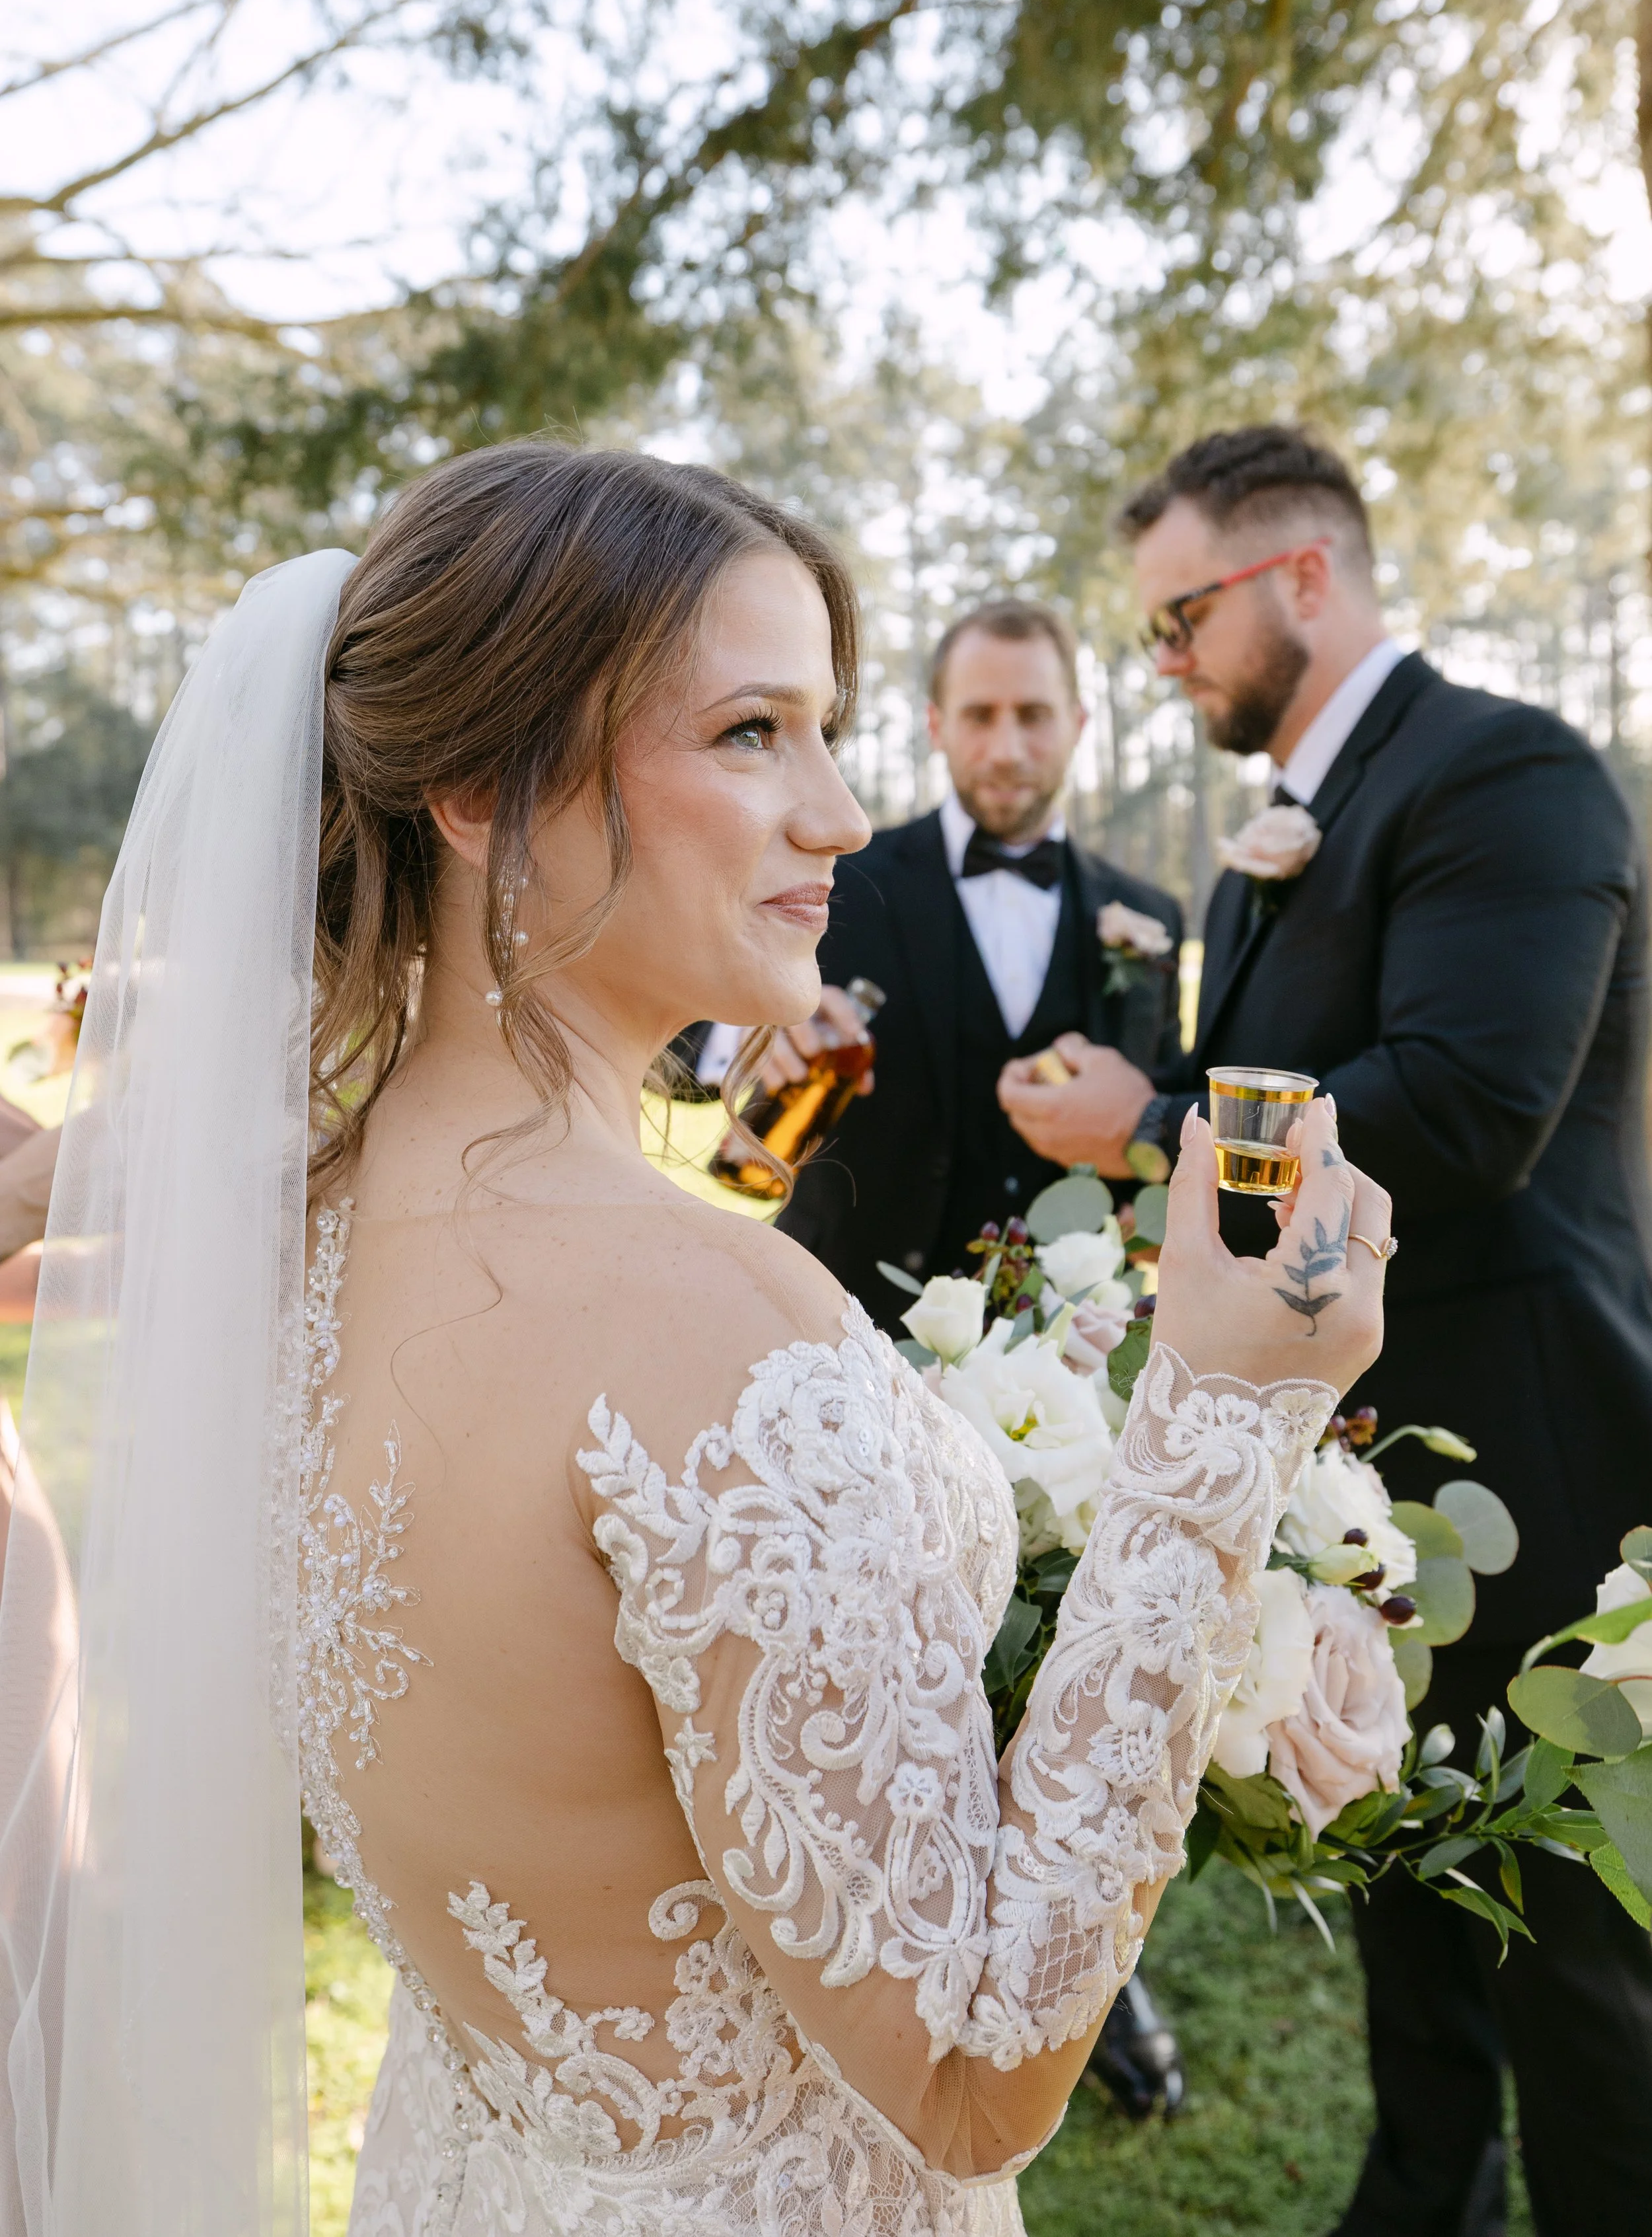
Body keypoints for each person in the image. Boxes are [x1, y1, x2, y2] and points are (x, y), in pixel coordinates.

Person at [0, 439, 1390, 2236]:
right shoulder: (718, 1335)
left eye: (825, 728)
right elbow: (970, 2071)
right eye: (752, 733)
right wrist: (1221, 1416)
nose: (838, 813)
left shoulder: (291, 1232)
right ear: (482, 791)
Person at [1000, 422, 1652, 2237]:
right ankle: (1419, 2194)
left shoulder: (1506, 770)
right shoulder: (1259, 849)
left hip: (1530, 1443)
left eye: (1179, 612)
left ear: (1303, 573)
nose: (1166, 660)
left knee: (1563, 1930)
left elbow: (1462, 1104)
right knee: (1384, 1859)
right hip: (1352, 1453)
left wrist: (1149, 1121)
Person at [698, 599, 1183, 1331]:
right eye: (980, 716)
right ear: (936, 726)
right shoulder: (839, 876)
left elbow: (1163, 1106)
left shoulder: (1150, 917)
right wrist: (751, 1041)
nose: (1007, 748)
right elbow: (682, 1011)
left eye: (1034, 715)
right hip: (848, 1321)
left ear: (1079, 725)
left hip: (1066, 1345)